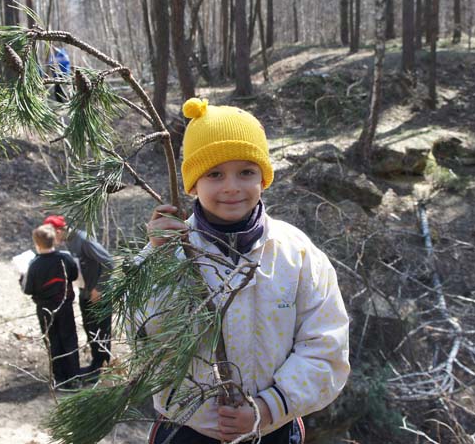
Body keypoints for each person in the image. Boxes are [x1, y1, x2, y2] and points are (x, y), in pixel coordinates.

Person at [143, 98, 350, 444]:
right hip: (187, 431)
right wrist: (155, 260)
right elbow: (140, 336)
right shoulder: (168, 250)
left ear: (263, 178)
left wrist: (268, 409)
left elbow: (327, 345)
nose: (231, 187)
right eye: (214, 174)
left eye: (246, 172)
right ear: (193, 183)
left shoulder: (296, 254)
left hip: (273, 430)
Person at [43, 215, 114, 382]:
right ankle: (96, 364)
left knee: (101, 330)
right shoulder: (68, 241)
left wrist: (99, 288)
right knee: (90, 328)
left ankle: (102, 367)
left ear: (58, 231)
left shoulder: (84, 240)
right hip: (85, 292)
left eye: (52, 236)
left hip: (99, 294)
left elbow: (108, 262)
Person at [21, 224, 80, 388]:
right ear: (54, 240)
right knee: (69, 338)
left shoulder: (34, 264)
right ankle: (74, 375)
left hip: (45, 308)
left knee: (52, 340)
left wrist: (21, 278)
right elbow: (74, 275)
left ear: (36, 244)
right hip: (65, 305)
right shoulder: (65, 258)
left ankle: (59, 376)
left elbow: (28, 289)